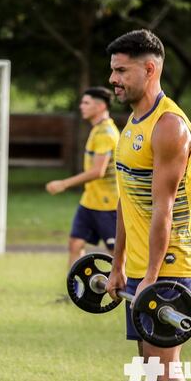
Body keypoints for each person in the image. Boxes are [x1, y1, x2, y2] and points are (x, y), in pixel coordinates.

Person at [105, 30, 191, 381]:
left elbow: (163, 209)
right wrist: (118, 266)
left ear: (150, 69)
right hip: (141, 267)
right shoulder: (132, 123)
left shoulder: (170, 127)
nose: (113, 79)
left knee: (164, 367)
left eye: (121, 70)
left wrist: (149, 274)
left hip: (174, 264)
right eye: (112, 70)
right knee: (149, 369)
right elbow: (126, 200)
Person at [46, 87, 119, 267]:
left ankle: (127, 292)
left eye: (86, 103)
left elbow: (98, 171)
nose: (81, 106)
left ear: (101, 106)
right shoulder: (97, 129)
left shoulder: (105, 133)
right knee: (75, 244)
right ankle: (76, 291)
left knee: (116, 253)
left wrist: (64, 184)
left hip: (107, 204)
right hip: (89, 201)